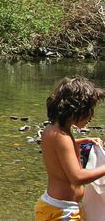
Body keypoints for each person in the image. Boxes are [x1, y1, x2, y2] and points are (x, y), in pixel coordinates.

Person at [36, 76, 105, 220]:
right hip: (62, 212)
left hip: (53, 206)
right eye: (90, 109)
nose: (91, 116)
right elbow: (77, 177)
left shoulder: (52, 130)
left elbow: (56, 150)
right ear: (78, 109)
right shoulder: (63, 136)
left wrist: (82, 141)